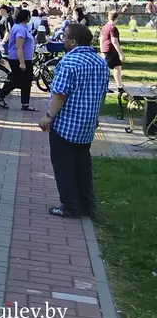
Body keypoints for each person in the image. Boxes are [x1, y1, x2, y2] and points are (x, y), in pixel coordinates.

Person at [39, 24, 107, 219]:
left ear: (73, 41)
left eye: (65, 37)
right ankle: (87, 205)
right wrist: (95, 116)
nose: (62, 40)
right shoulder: (99, 62)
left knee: (64, 166)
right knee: (83, 165)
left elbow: (60, 95)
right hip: (87, 124)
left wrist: (49, 116)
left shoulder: (68, 62)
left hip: (66, 124)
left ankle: (70, 206)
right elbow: (101, 93)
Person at [0, 9, 37, 112]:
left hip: (24, 58)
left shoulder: (21, 27)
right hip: (19, 59)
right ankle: (0, 96)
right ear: (26, 17)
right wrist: (22, 63)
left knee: (26, 81)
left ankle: (25, 103)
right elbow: (19, 46)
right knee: (17, 80)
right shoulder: (20, 29)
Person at [100, 11, 125, 92]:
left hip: (105, 49)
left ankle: (118, 86)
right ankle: (107, 87)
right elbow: (114, 41)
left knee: (116, 66)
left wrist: (101, 50)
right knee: (112, 68)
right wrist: (121, 54)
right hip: (110, 50)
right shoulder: (113, 28)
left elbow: (101, 39)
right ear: (116, 18)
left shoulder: (105, 27)